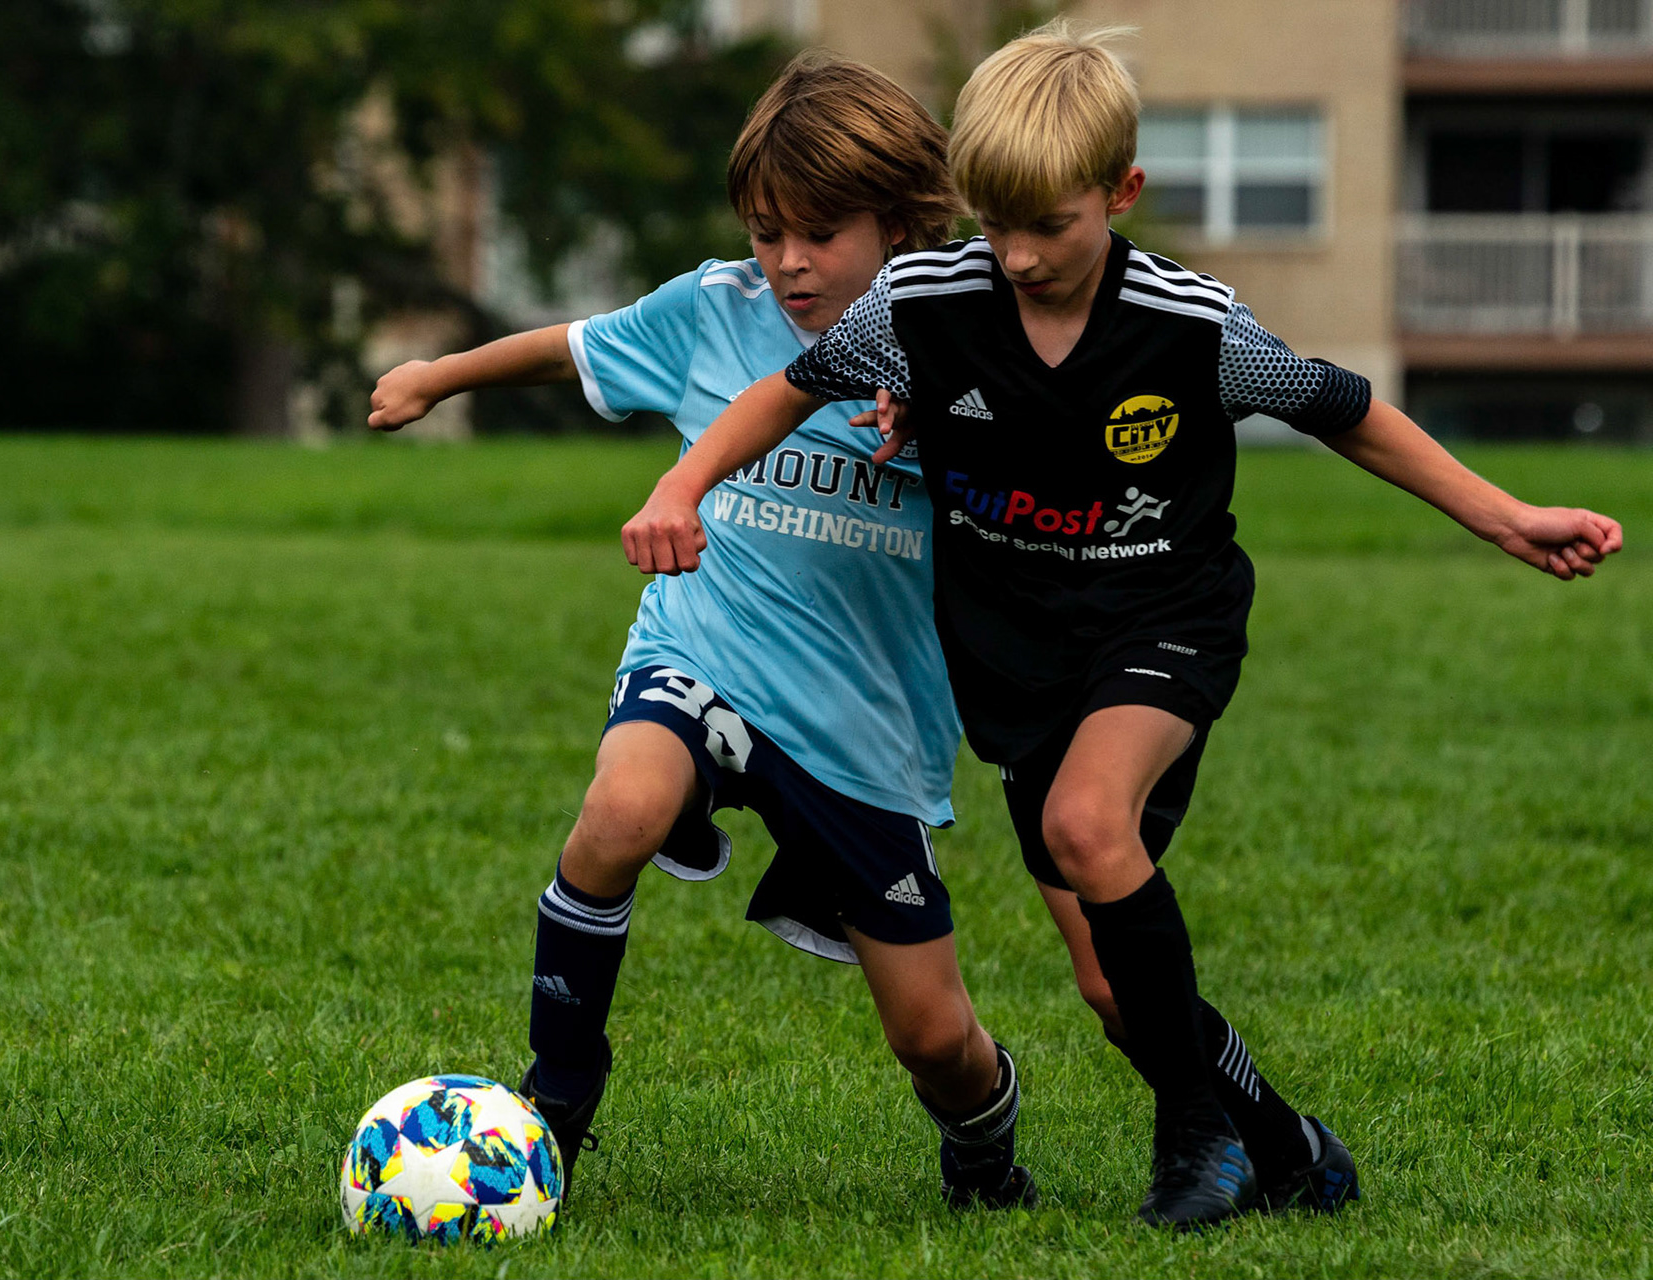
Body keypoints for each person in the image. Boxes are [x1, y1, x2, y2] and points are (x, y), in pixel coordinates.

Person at [618, 20, 1624, 1230]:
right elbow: (788, 389)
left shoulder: (1190, 327)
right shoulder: (925, 304)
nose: (1023, 254)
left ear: (1122, 192)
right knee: (1109, 983)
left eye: (1052, 223)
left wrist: (1505, 515)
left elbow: (1346, 410)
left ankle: (1192, 1133)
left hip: (1163, 620)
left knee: (1088, 823)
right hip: (1022, 661)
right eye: (997, 225)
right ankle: (1278, 1137)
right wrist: (680, 486)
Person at [368, 53, 1037, 1210]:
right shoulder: (713, 311)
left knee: (935, 1038)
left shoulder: (973, 349)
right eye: (769, 230)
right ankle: (557, 1105)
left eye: (821, 233)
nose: (787, 260)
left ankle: (983, 1148)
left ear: (904, 220)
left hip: (862, 729)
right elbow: (568, 344)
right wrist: (438, 374)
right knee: (619, 809)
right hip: (703, 649)